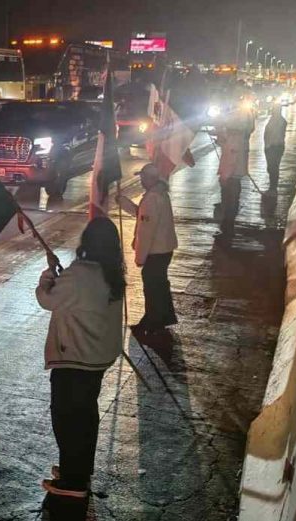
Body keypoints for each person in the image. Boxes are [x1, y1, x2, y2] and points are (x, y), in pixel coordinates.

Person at [36, 217, 125, 498]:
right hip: (96, 358)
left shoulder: (80, 273)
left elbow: (48, 300)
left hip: (74, 356)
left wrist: (47, 278)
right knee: (85, 414)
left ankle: (72, 482)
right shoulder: (111, 272)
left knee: (66, 417)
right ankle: (78, 469)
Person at [117, 163, 179, 334]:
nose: (141, 181)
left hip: (156, 251)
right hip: (165, 249)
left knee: (153, 286)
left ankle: (153, 321)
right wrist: (124, 203)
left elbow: (146, 231)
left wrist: (140, 258)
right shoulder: (160, 194)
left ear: (151, 179)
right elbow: (142, 215)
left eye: (143, 177)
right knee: (160, 284)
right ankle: (163, 316)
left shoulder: (152, 198)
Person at [216, 103, 254, 237]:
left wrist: (224, 177)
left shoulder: (234, 140)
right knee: (232, 201)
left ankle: (227, 226)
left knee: (229, 202)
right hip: (235, 176)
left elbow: (231, 160)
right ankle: (228, 224)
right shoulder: (241, 139)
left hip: (231, 177)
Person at [264, 104, 287, 194]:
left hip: (275, 147)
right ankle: (272, 187)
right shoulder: (273, 120)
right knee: (271, 167)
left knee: (273, 167)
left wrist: (269, 145)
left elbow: (275, 135)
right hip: (271, 147)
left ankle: (273, 188)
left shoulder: (280, 122)